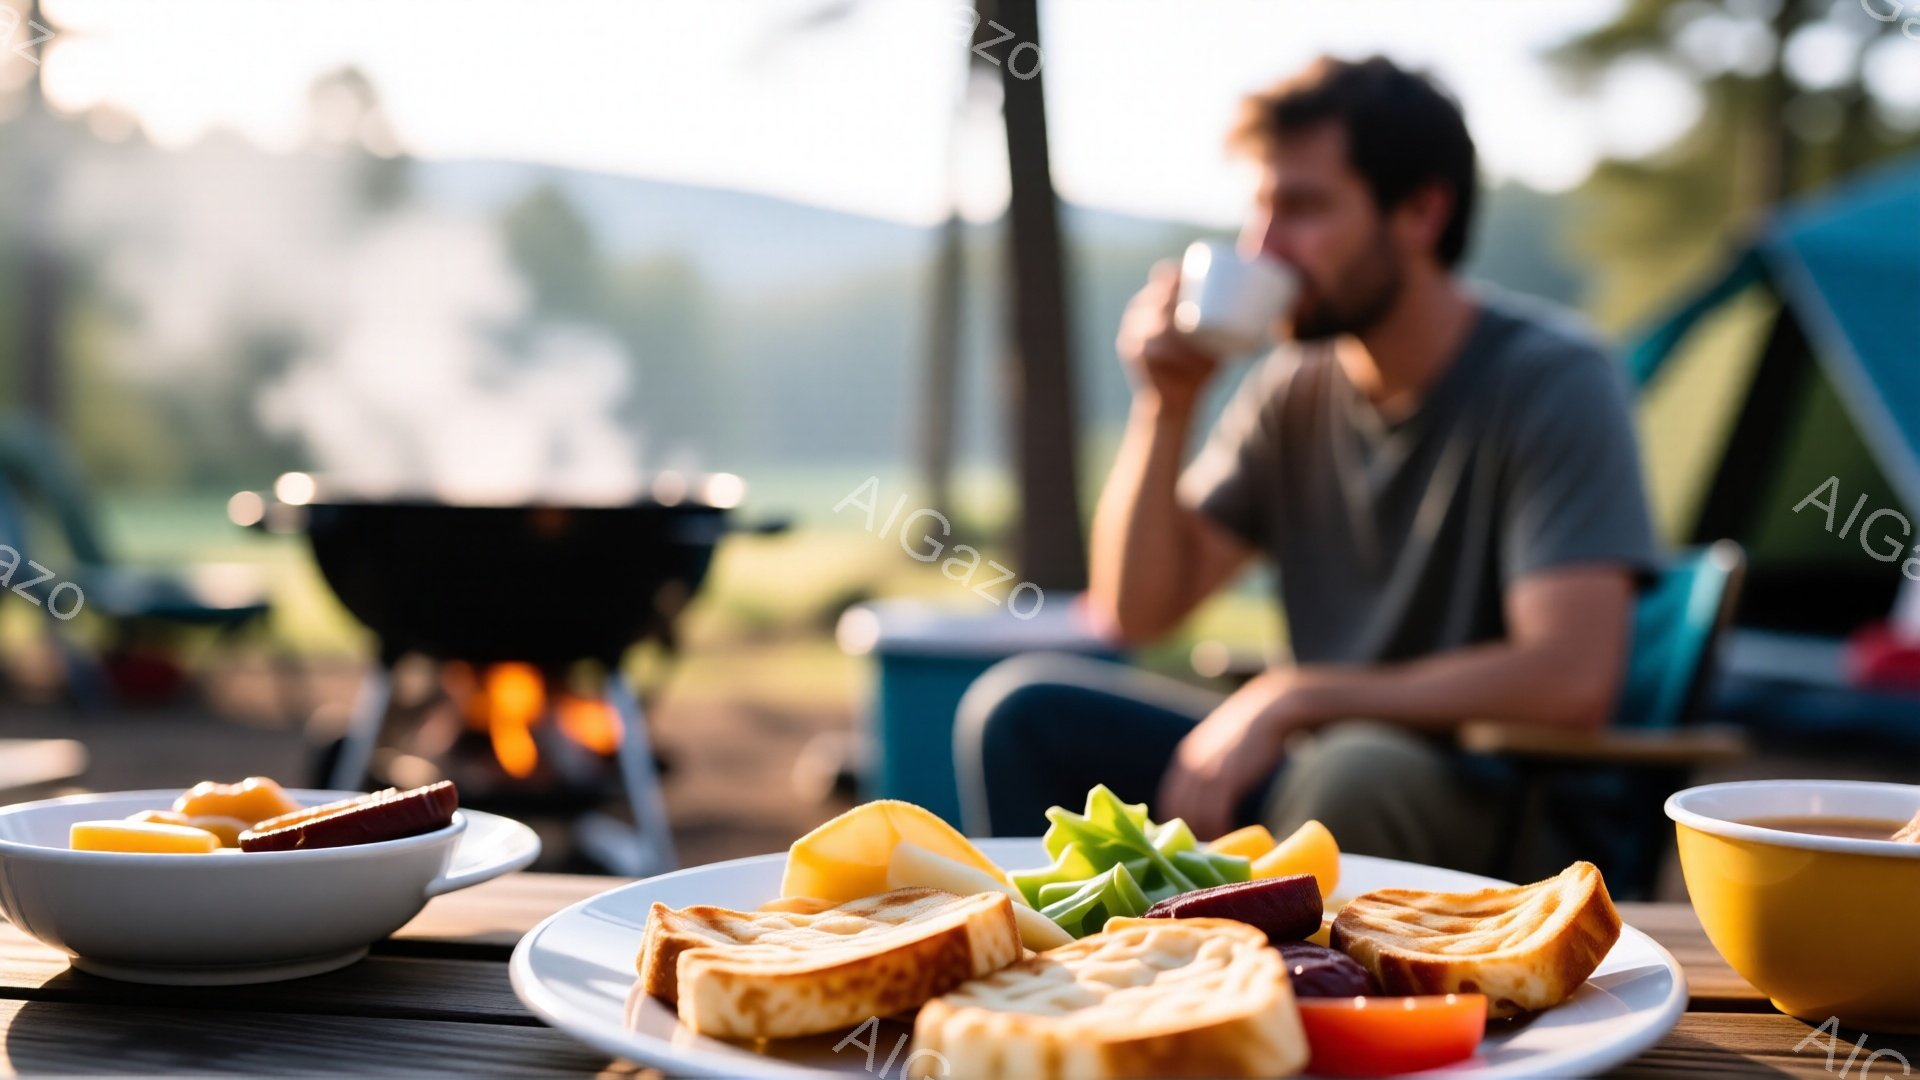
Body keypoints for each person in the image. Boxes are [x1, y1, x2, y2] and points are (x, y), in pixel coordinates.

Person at [954, 55, 1659, 875]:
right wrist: (1165, 407)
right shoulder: (1293, 390)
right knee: (1023, 717)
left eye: (1302, 208)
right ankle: (1069, 959)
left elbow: (1570, 678)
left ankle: (1264, 956)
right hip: (1324, 776)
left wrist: (1298, 697)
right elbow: (1136, 612)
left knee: (1352, 770)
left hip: (1505, 803)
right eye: (1259, 210)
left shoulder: (1555, 380)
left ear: (1421, 212)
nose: (1264, 249)